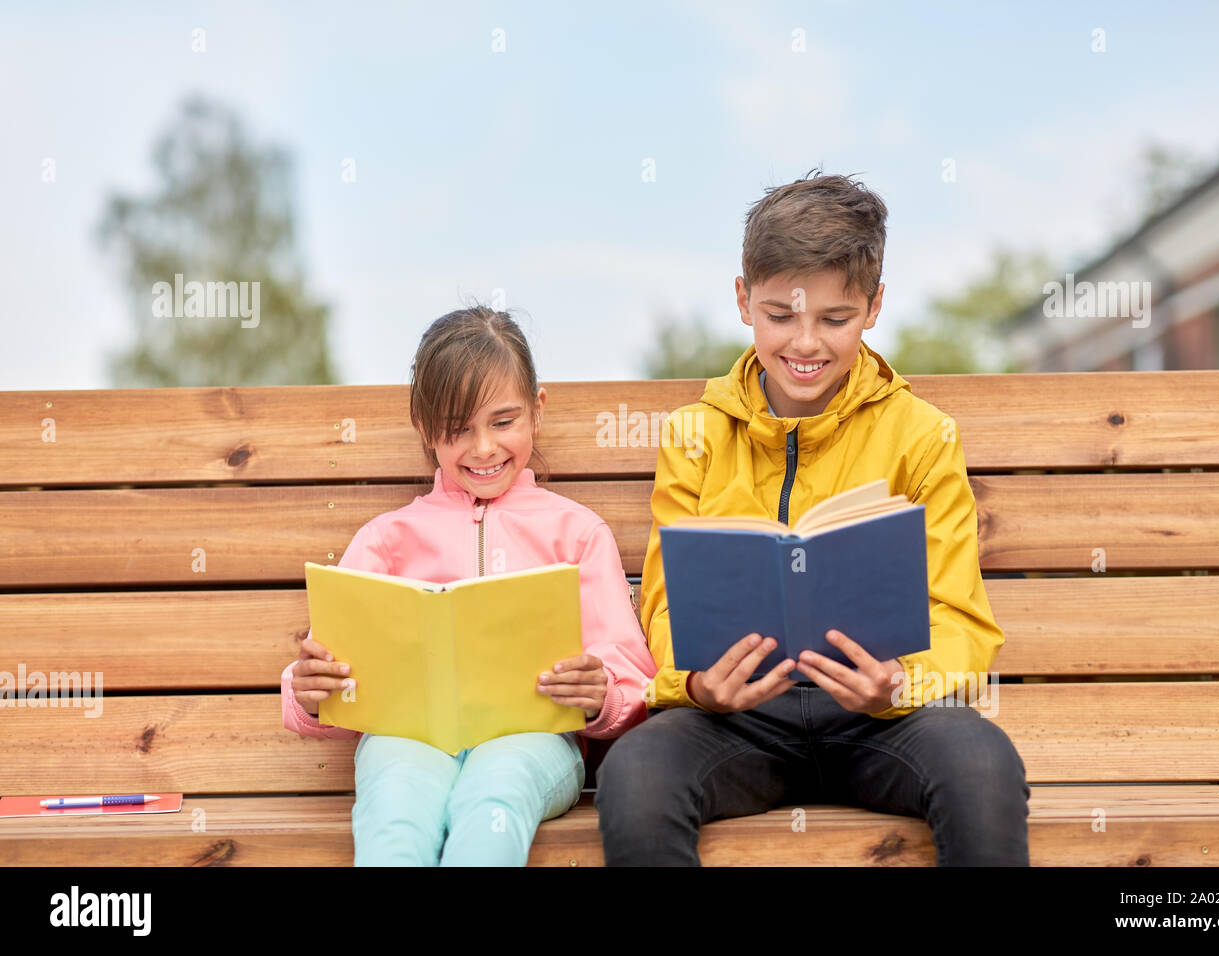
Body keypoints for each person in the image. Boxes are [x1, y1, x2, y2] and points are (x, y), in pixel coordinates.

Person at [595, 170, 1031, 866]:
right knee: (636, 776)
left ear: (875, 305)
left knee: (982, 767)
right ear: (742, 299)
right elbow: (666, 600)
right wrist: (699, 684)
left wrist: (899, 684)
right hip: (736, 719)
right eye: (780, 315)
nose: (805, 344)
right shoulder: (693, 436)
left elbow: (962, 618)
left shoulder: (922, 435)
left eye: (835, 319)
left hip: (881, 719)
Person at [281, 304, 658, 866]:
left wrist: (602, 692)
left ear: (537, 410)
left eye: (503, 422)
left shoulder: (576, 535)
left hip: (532, 739)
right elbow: (329, 674)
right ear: (426, 429)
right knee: (394, 810)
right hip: (405, 740)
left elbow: (632, 676)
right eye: (459, 429)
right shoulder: (386, 540)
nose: (483, 448)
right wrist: (308, 691)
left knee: (492, 798)